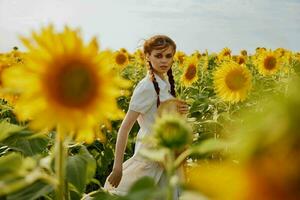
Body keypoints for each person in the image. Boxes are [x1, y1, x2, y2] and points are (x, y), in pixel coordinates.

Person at [103, 35, 189, 198]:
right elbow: (125, 128)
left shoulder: (165, 83)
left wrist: (177, 111)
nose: (164, 60)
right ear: (147, 56)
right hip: (151, 157)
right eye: (158, 56)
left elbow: (158, 115)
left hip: (168, 155)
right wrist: (117, 168)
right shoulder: (147, 87)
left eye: (168, 56)